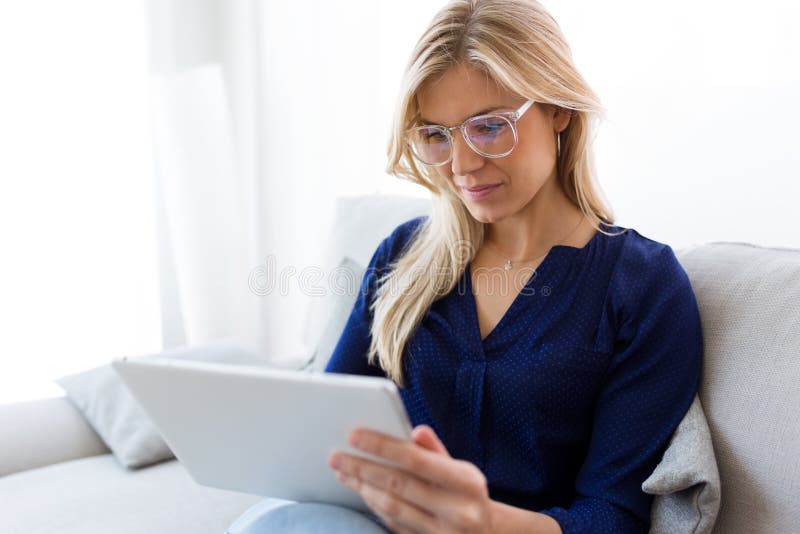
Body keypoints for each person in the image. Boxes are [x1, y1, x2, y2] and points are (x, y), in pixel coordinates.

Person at [230, 0, 703, 532]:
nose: (461, 165)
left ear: (558, 109)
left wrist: (484, 522)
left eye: (489, 127)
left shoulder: (641, 287)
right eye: (436, 135)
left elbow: (613, 515)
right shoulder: (402, 258)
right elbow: (322, 444)